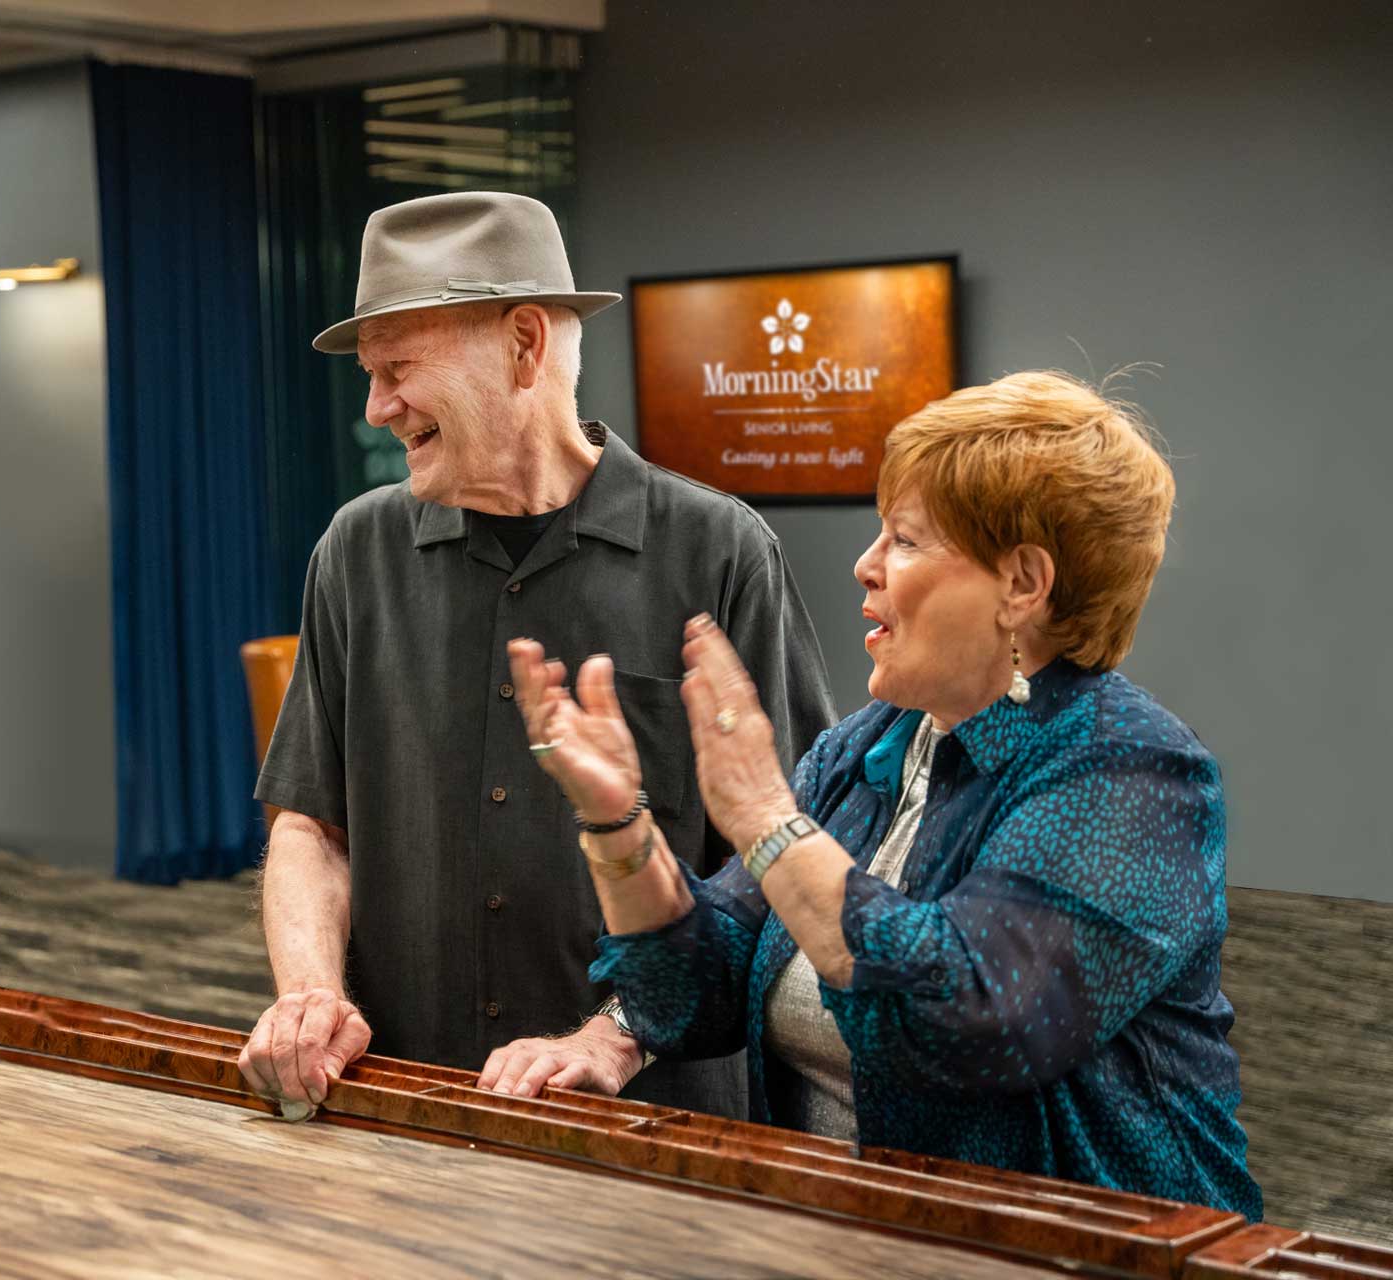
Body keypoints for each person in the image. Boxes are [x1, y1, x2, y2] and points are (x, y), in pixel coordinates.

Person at [509, 370, 1262, 1216]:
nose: (865, 566)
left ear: (1023, 584)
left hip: (1100, 1251)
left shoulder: (1134, 772)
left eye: (905, 541)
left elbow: (970, 1017)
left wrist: (764, 816)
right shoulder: (868, 745)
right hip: (848, 1239)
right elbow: (690, 994)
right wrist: (616, 821)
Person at [241, 192, 836, 1117]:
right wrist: (310, 993)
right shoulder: (356, 553)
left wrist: (618, 1029)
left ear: (525, 345)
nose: (375, 408)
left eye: (398, 369)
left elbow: (788, 852)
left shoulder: (717, 552)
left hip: (655, 1124)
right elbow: (311, 827)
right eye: (369, 375)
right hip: (408, 1105)